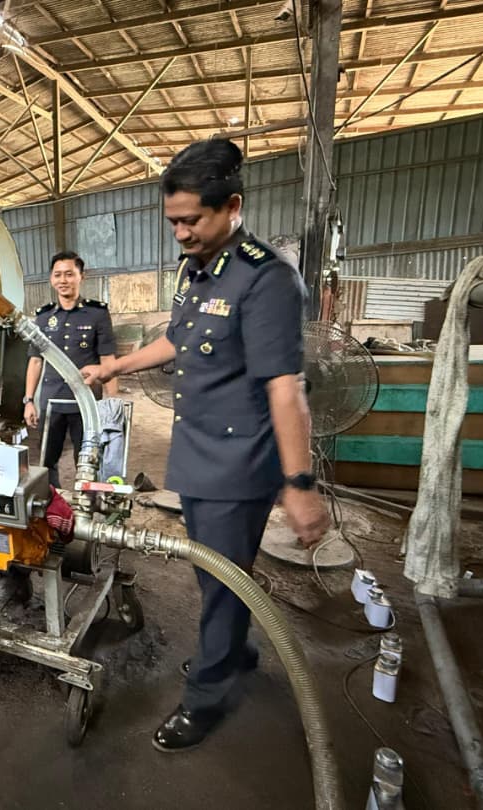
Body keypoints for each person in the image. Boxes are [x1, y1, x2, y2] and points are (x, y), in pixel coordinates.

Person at [81, 139, 330, 752]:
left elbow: (285, 388)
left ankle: (208, 694)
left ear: (233, 207)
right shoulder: (200, 270)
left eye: (192, 220)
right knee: (213, 573)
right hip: (194, 453)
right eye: (173, 222)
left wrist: (299, 486)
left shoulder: (265, 278)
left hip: (238, 460)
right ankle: (236, 650)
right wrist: (117, 367)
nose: (181, 233)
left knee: (222, 582)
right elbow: (181, 340)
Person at [22, 251, 118, 489]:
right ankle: (51, 507)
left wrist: (112, 406)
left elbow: (108, 360)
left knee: (86, 460)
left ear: (81, 277)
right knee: (46, 459)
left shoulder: (97, 314)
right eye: (58, 275)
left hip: (85, 404)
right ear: (51, 280)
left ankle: (83, 509)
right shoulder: (43, 318)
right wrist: (29, 400)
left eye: (69, 274)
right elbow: (35, 361)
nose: (63, 280)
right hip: (51, 402)